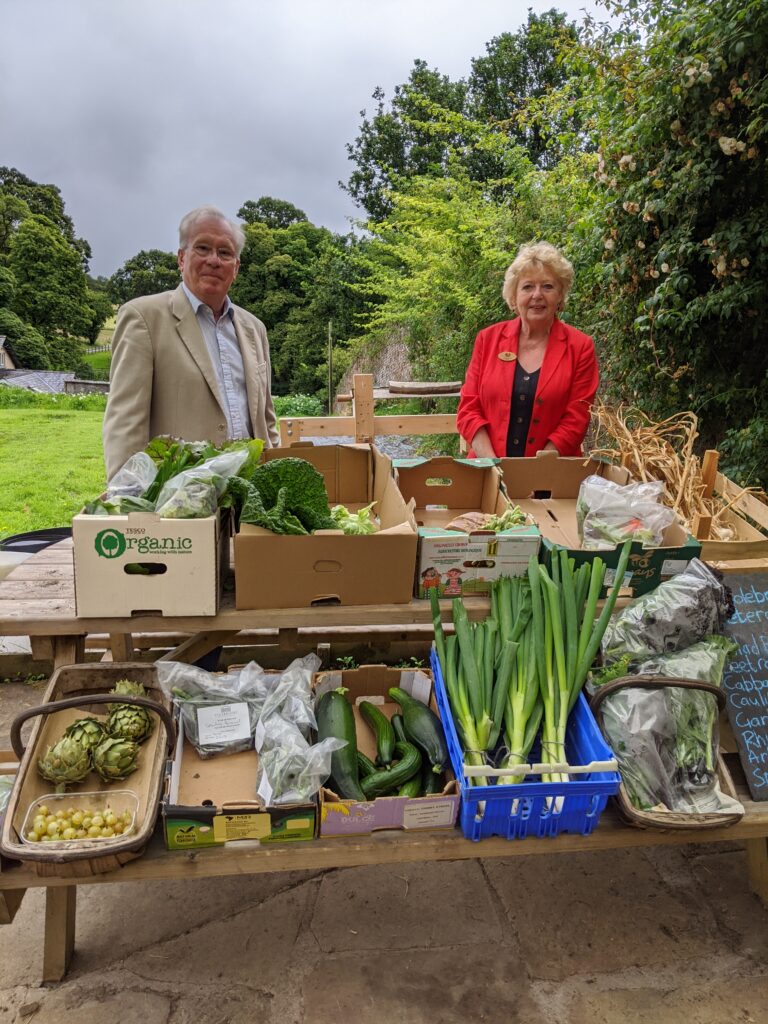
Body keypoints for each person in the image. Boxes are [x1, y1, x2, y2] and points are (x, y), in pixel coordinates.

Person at [103, 205, 280, 480]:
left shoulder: (254, 329)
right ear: (182, 258)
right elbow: (125, 423)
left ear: (236, 268)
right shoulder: (144, 318)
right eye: (203, 248)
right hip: (177, 502)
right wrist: (128, 500)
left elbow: (266, 422)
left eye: (225, 253)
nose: (214, 260)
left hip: (249, 497)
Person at [456, 242, 599, 459]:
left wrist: (535, 473)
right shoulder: (488, 340)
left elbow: (576, 419)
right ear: (513, 298)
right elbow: (468, 409)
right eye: (528, 287)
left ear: (560, 296)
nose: (537, 295)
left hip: (552, 477)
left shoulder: (580, 347)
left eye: (548, 287)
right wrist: (492, 465)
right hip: (486, 473)